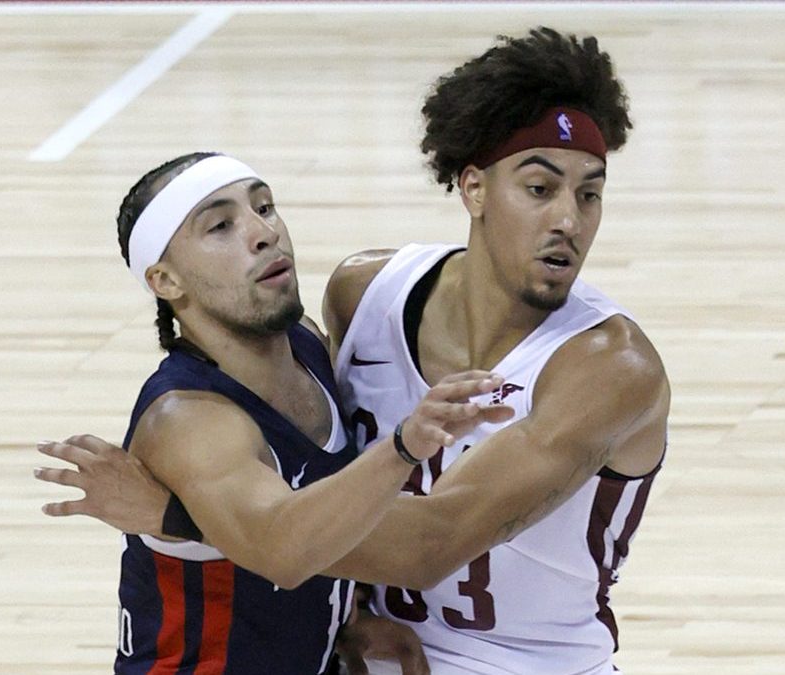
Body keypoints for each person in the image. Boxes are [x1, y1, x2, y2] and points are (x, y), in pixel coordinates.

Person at [38, 27, 669, 674]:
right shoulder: (365, 297)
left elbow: (431, 540)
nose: (569, 220)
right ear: (474, 188)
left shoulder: (610, 366)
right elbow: (319, 499)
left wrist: (183, 519)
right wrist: (353, 603)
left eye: (590, 194)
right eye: (540, 189)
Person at [37, 151, 509, 674]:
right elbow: (284, 551)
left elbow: (323, 512)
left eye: (264, 207)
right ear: (166, 281)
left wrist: (344, 614)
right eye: (221, 226)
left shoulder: (303, 343)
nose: (264, 233)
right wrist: (405, 444)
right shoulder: (188, 421)